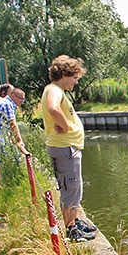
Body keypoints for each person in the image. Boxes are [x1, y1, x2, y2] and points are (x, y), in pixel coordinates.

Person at [41, 55, 97, 242]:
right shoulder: (54, 90)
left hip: (67, 148)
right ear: (64, 74)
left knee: (73, 186)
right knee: (71, 187)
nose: (76, 81)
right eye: (74, 77)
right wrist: (65, 127)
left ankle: (74, 221)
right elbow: (53, 109)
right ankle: (72, 230)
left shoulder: (55, 90)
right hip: (64, 148)